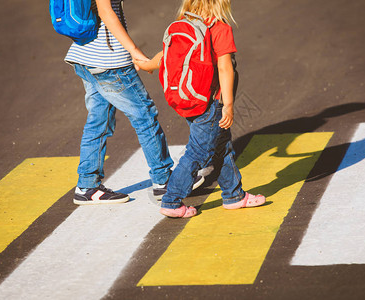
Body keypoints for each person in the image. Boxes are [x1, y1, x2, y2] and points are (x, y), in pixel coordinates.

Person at [136, 0, 266, 218]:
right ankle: (171, 200)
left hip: (189, 98)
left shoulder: (183, 24)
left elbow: (165, 55)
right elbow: (225, 68)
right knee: (198, 152)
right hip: (211, 102)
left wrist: (148, 65)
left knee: (221, 146)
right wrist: (229, 105)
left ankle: (234, 195)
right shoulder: (219, 28)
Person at [65, 0, 176, 205]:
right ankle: (164, 181)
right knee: (145, 115)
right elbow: (106, 11)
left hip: (85, 56)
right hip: (110, 61)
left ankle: (87, 186)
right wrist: (134, 50)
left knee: (99, 120)